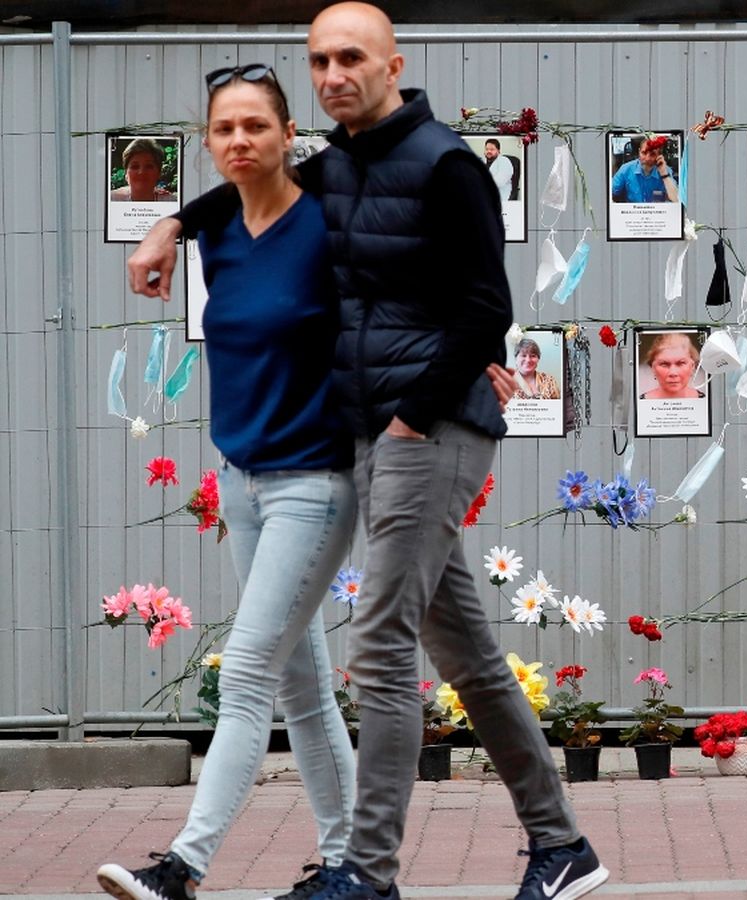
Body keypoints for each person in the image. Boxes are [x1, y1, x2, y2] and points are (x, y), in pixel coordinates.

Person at [125, 5, 609, 900]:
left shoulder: (447, 165)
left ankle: (367, 873)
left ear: (393, 64)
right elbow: (250, 181)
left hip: (427, 428)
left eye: (351, 57)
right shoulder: (339, 164)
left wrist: (412, 418)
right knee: (468, 656)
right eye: (319, 61)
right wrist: (172, 226)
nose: (334, 74)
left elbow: (488, 308)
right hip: (375, 429)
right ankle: (563, 844)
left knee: (381, 644)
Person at [97, 64, 358, 900]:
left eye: (256, 125)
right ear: (207, 142)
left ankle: (182, 867)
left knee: (245, 673)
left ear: (289, 134)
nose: (240, 140)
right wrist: (170, 223)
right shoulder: (221, 227)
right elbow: (223, 201)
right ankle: (353, 866)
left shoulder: (328, 216)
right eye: (224, 129)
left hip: (314, 481)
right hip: (242, 482)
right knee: (302, 687)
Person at [610, 135, 678, 204]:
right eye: (644, 153)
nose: (647, 158)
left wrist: (664, 175)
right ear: (639, 152)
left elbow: (676, 200)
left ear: (659, 156)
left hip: (656, 210)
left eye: (652, 154)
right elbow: (608, 193)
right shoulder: (626, 169)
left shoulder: (666, 171)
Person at [639, 331, 704, 400]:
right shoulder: (640, 403)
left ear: (692, 366)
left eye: (681, 363)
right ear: (653, 368)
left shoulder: (705, 402)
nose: (673, 373)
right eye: (664, 364)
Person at [109, 138, 176, 202]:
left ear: (159, 172)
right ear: (126, 174)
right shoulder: (111, 199)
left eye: (149, 166)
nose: (141, 172)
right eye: (135, 167)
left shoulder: (172, 201)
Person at [512, 336, 560, 400]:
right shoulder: (507, 381)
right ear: (516, 358)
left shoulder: (549, 381)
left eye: (533, 356)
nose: (528, 360)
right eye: (523, 355)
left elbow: (558, 405)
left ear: (538, 359)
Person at [483, 137, 515, 202]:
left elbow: (500, 182)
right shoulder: (482, 161)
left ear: (498, 151)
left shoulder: (504, 161)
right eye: (487, 149)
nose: (489, 151)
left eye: (492, 149)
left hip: (500, 198)